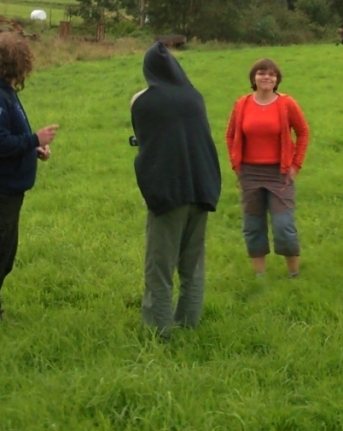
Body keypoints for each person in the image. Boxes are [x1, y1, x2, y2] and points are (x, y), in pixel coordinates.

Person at [0, 33, 58, 333]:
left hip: (8, 190)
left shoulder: (3, 92)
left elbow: (7, 138)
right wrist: (34, 138)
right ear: (16, 65)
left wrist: (33, 148)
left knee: (3, 256)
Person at [130, 42, 222, 338]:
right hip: (203, 185)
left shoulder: (142, 101)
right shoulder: (195, 97)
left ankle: (158, 330)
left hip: (169, 191)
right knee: (192, 264)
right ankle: (188, 324)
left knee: (159, 266)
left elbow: (146, 143)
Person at [225, 58, 310, 278]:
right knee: (253, 226)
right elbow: (231, 135)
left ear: (277, 80)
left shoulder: (286, 103)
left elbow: (303, 133)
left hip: (279, 174)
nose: (266, 77)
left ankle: (294, 274)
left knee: (284, 226)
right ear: (254, 77)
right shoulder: (242, 104)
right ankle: (260, 277)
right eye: (262, 73)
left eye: (272, 74)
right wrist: (236, 165)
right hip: (249, 173)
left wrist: (295, 165)